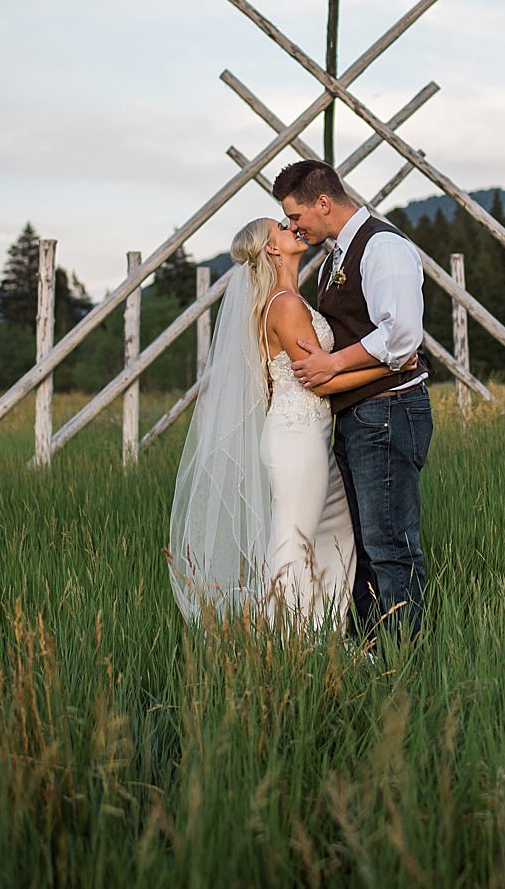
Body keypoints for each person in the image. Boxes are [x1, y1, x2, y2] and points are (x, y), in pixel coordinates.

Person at [166, 216, 404, 630]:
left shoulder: (290, 299)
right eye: (281, 225)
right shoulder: (286, 305)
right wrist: (390, 369)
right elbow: (320, 378)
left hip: (310, 439)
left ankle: (322, 633)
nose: (291, 226)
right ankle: (283, 641)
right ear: (272, 248)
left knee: (336, 537)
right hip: (297, 440)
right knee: (293, 544)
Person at [274, 160, 432, 646]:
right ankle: (371, 647)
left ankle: (404, 654)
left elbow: (401, 333)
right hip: (362, 411)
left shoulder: (381, 246)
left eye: (296, 215)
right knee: (364, 544)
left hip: (388, 409)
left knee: (389, 545)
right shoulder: (338, 255)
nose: (294, 226)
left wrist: (336, 364)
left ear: (324, 203)